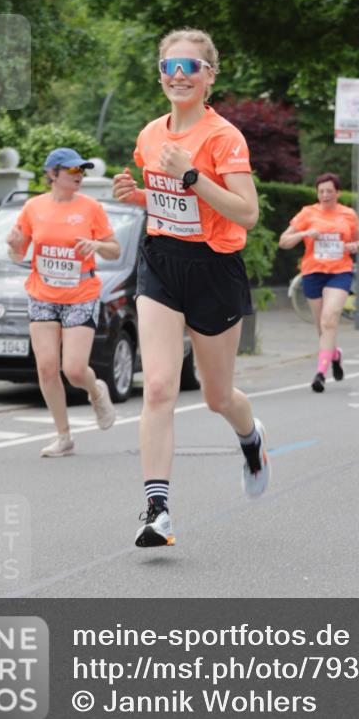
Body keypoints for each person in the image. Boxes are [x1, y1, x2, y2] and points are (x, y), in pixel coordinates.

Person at [112, 28, 270, 548]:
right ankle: (157, 509)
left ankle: (251, 439)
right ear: (161, 75)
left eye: (190, 68)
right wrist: (139, 196)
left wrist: (192, 177)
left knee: (217, 396)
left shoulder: (224, 137)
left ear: (209, 77)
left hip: (213, 268)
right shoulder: (149, 135)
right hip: (161, 262)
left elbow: (246, 212)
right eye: (170, 67)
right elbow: (167, 206)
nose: (179, 76)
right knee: (156, 386)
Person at [6, 148, 121, 457]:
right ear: (53, 174)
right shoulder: (33, 208)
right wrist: (14, 245)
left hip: (80, 295)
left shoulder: (91, 208)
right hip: (42, 294)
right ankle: (64, 436)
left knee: (73, 369)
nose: (79, 175)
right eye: (72, 171)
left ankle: (96, 392)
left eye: (81, 170)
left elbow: (115, 250)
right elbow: (17, 254)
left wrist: (96, 244)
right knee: (46, 368)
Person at [278, 173, 359, 393]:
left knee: (330, 320)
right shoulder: (308, 213)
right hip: (313, 273)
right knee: (322, 328)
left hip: (340, 272)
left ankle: (320, 375)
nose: (325, 195)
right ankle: (335, 355)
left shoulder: (348, 214)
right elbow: (283, 241)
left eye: (329, 191)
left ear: (338, 193)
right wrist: (306, 232)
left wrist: (356, 247)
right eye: (321, 191)